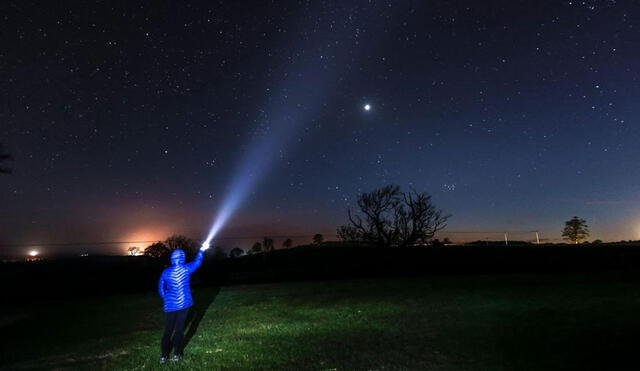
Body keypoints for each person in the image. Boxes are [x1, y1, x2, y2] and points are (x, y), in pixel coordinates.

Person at [158, 242, 210, 363]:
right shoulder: (186, 268)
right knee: (179, 329)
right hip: (184, 303)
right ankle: (176, 355)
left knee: (168, 330)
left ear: (172, 258)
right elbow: (197, 262)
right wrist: (202, 250)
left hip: (170, 305)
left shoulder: (166, 272)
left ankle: (164, 356)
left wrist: (167, 299)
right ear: (182, 258)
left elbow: (160, 288)